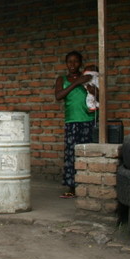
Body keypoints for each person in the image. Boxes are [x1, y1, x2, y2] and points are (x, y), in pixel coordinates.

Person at [54, 51, 98, 198]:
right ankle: (71, 188)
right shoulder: (62, 79)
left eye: (76, 62)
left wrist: (93, 90)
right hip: (72, 122)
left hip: (89, 121)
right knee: (71, 155)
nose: (72, 65)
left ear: (81, 63)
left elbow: (99, 96)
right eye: (69, 62)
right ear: (66, 63)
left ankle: (88, 185)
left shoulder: (88, 77)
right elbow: (59, 96)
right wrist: (76, 83)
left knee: (88, 154)